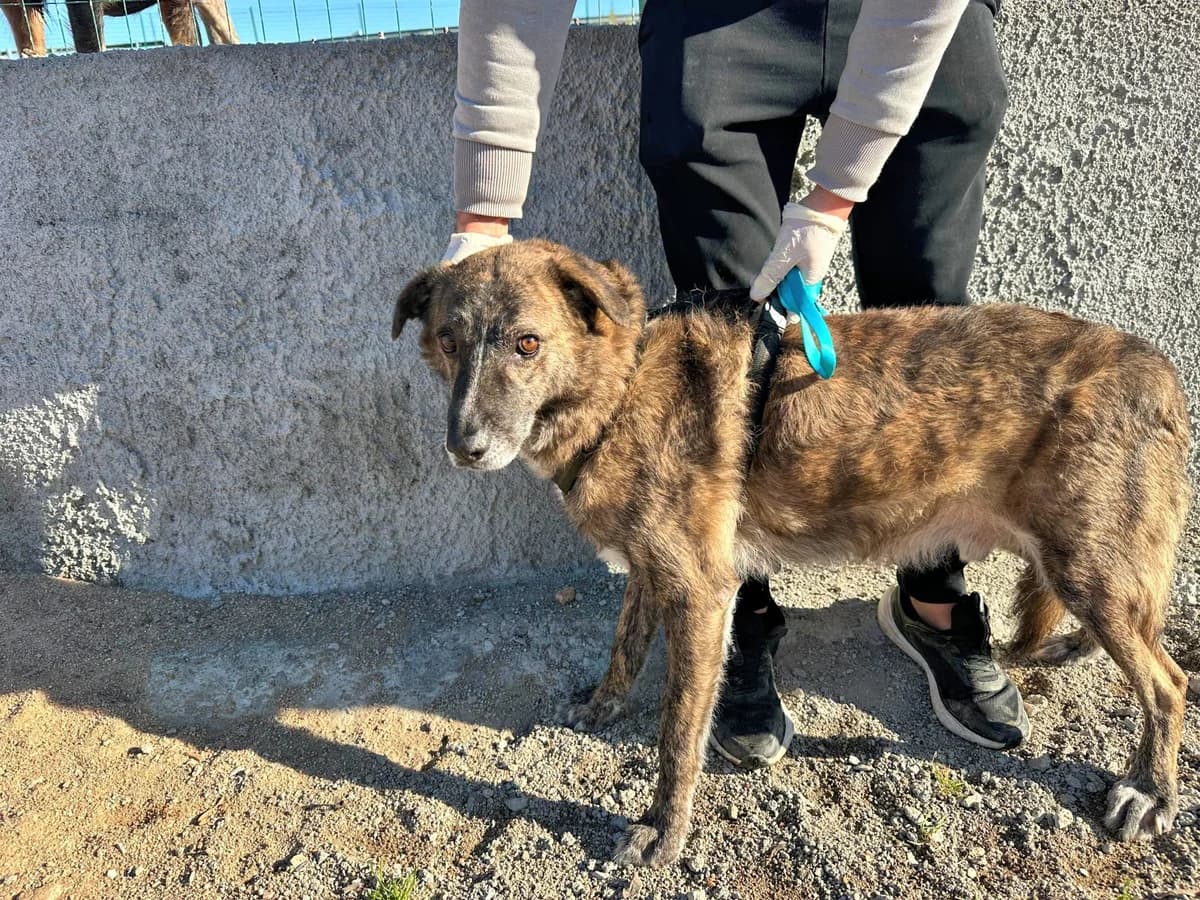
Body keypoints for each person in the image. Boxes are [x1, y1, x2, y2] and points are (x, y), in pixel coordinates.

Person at [442, 0, 1029, 768]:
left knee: (930, 333)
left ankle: (932, 594)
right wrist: (484, 216)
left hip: (919, 21)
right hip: (714, 24)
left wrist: (831, 198)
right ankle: (735, 604)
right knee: (723, 355)